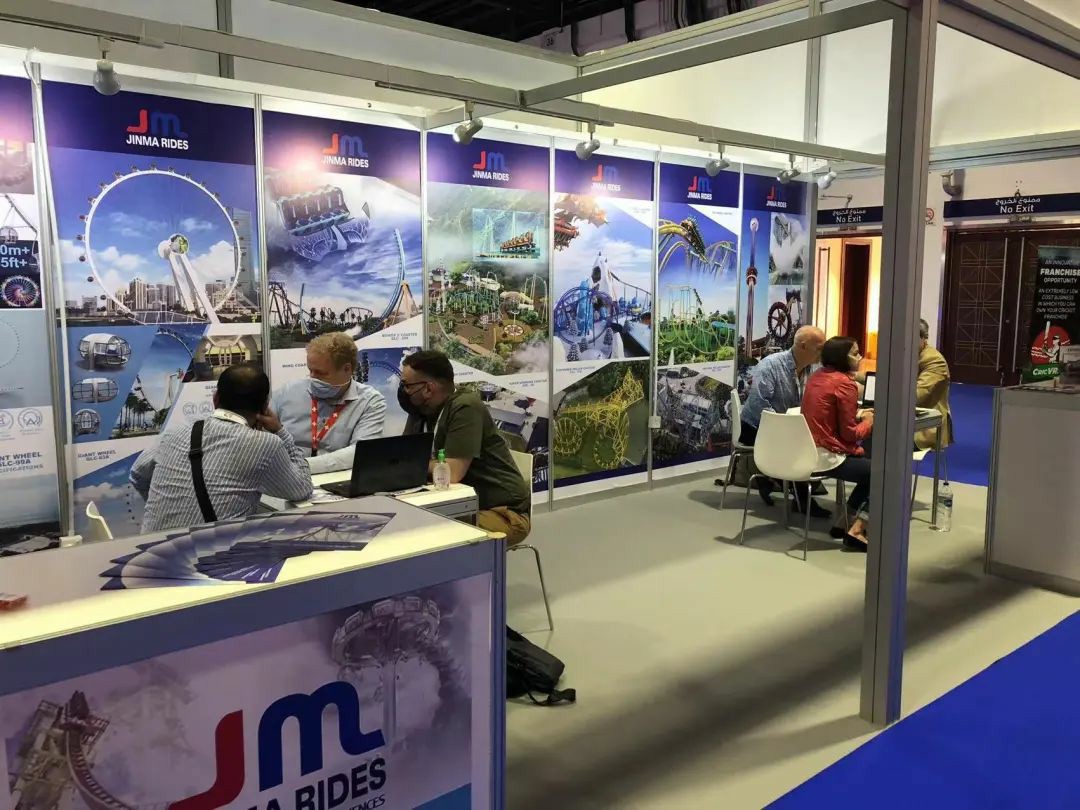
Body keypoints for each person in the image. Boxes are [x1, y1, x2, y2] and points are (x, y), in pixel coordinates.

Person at [130, 364, 313, 534]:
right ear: (265, 406)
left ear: (215, 398)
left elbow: (137, 474)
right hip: (213, 553)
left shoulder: (174, 432)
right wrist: (280, 431)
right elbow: (301, 489)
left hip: (151, 549)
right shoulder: (265, 443)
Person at [398, 350, 531, 545]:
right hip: (457, 504)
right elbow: (403, 456)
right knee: (406, 526)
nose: (404, 391)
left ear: (428, 388)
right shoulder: (421, 411)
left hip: (502, 512)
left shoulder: (465, 407)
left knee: (424, 534)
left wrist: (414, 463)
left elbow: (451, 472)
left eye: (407, 385)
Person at [736, 325, 828, 513]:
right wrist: (788, 428)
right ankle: (802, 499)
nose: (822, 352)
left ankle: (775, 482)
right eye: (819, 348)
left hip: (786, 427)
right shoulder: (770, 365)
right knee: (794, 447)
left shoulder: (811, 369)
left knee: (812, 441)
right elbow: (759, 403)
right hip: (755, 426)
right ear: (803, 346)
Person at [271, 331, 387, 475]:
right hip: (286, 479)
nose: (313, 378)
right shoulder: (287, 392)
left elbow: (360, 452)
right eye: (310, 371)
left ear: (347, 369)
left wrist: (302, 466)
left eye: (321, 373)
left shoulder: (370, 402)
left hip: (336, 480)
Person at [801, 337, 874, 551]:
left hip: (809, 451)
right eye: (855, 353)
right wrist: (869, 422)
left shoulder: (816, 376)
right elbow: (850, 434)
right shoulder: (845, 384)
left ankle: (843, 522)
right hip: (828, 455)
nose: (860, 357)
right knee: (883, 474)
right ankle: (857, 530)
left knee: (870, 472)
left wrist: (858, 415)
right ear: (842, 357)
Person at [915, 318, 953, 451]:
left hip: (925, 427)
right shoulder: (905, 355)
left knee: (879, 436)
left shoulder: (935, 361)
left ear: (923, 338)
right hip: (906, 419)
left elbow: (916, 396)